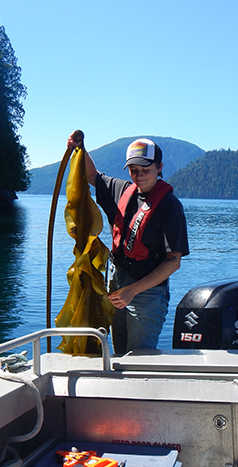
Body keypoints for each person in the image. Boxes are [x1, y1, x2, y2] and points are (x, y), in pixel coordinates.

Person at [67, 131, 190, 354]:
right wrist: (80, 148)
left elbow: (174, 262)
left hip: (147, 293)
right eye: (134, 170)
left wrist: (132, 290)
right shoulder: (122, 190)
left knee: (140, 356)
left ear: (159, 167)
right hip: (116, 281)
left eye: (146, 170)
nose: (139, 175)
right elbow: (92, 176)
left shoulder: (170, 207)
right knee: (118, 353)